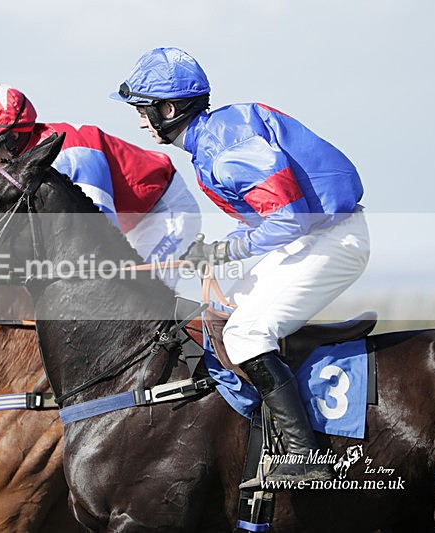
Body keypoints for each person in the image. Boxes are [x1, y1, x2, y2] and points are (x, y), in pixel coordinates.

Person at [111, 47, 370, 485]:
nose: (140, 121)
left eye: (144, 110)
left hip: (331, 240)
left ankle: (307, 457)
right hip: (315, 236)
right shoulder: (219, 133)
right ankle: (259, 426)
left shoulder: (226, 151)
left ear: (169, 109)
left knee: (245, 333)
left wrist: (225, 251)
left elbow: (291, 216)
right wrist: (218, 249)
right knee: (220, 313)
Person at [0, 83, 201, 286]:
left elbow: (101, 235)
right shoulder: (19, 162)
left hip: (163, 213)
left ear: (14, 136)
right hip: (129, 218)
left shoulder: (70, 157)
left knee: (139, 289)